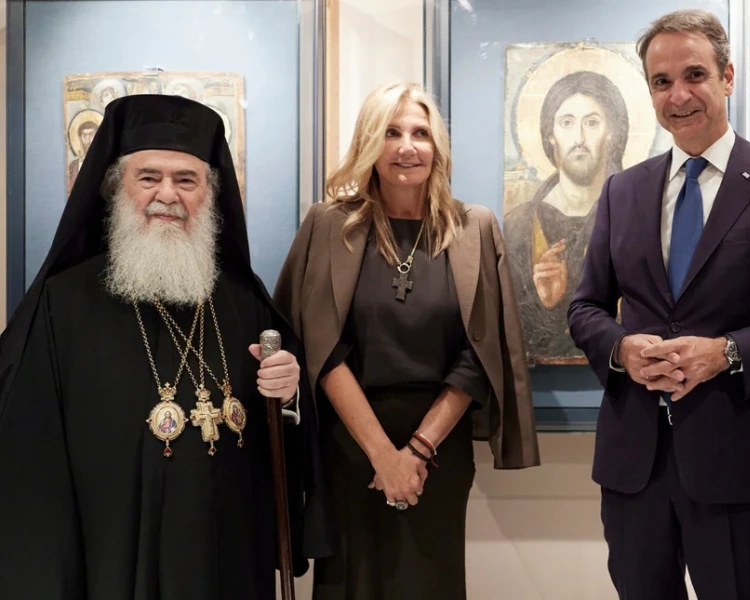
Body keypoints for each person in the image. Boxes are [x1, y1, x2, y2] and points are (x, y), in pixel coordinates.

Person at [0, 94, 330, 599]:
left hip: (222, 554)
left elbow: (279, 447)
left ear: (210, 194)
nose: (168, 195)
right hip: (106, 558)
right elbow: (28, 457)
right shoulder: (60, 305)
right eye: (149, 177)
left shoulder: (244, 301)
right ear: (117, 187)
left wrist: (288, 395)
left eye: (186, 180)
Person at [567, 9, 750, 600]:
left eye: (694, 74)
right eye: (661, 82)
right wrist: (621, 348)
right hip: (633, 467)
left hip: (737, 466)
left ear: (727, 77)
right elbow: (585, 308)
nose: (679, 95)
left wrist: (729, 353)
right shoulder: (622, 190)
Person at [273, 81, 541, 599]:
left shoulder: (474, 227)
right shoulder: (328, 225)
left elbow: (479, 352)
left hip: (438, 449)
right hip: (349, 446)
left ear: (437, 146)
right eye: (391, 133)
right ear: (368, 143)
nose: (406, 147)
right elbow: (321, 346)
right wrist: (383, 455)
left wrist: (417, 450)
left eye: (420, 133)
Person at [504, 70, 630, 362]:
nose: (579, 138)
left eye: (592, 123)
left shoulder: (635, 216)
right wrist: (544, 303)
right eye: (567, 123)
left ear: (612, 133)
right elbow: (515, 327)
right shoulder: (519, 225)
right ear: (550, 135)